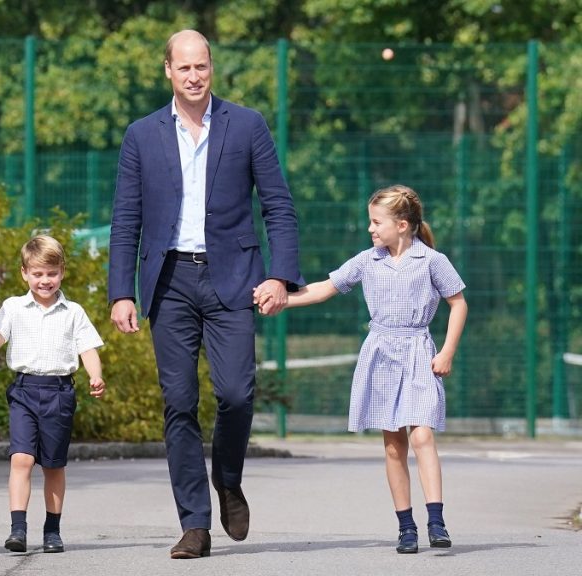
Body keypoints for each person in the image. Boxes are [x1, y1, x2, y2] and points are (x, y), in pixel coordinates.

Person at [107, 29, 303, 559]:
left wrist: (280, 277)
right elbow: (125, 219)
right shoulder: (141, 135)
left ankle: (229, 480)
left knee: (237, 393)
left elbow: (279, 207)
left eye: (203, 67)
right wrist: (120, 292)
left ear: (211, 68)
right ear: (167, 70)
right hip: (168, 281)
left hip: (235, 277)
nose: (194, 77)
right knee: (179, 404)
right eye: (184, 68)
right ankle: (194, 523)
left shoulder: (248, 125)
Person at [261, 184, 467, 554]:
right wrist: (283, 300)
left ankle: (436, 519)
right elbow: (325, 288)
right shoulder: (367, 260)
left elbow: (458, 303)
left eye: (376, 222)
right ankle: (406, 527)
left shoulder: (433, 261)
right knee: (393, 445)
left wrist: (447, 351)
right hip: (381, 355)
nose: (371, 229)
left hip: (419, 353)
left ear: (402, 225)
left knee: (422, 436)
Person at [0, 235, 106, 554]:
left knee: (53, 465)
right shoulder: (13, 307)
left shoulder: (73, 311)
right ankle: (18, 528)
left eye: (51, 273)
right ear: (24, 273)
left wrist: (96, 375)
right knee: (21, 459)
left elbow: (87, 347)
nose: (45, 280)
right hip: (24, 390)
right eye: (38, 274)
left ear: (61, 272)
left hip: (59, 392)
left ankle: (52, 530)